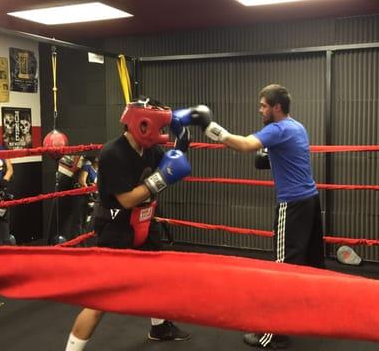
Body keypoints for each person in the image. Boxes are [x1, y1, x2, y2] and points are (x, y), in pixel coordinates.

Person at [65, 97, 201, 351]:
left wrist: (183, 136)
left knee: (157, 278)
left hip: (145, 221)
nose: (161, 135)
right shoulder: (112, 153)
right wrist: (161, 179)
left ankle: (159, 327)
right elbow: (127, 199)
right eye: (159, 128)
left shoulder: (149, 149)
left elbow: (172, 160)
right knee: (100, 301)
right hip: (116, 227)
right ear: (143, 125)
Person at [202, 84, 325, 349]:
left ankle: (273, 334)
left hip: (291, 204)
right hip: (311, 201)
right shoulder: (297, 127)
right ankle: (313, 315)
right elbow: (289, 157)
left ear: (276, 107)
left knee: (281, 269)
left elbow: (245, 146)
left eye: (263, 106)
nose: (260, 110)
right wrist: (271, 158)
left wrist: (210, 127)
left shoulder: (277, 129)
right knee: (311, 262)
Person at [49, 153, 86, 243]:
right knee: (60, 220)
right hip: (64, 185)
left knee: (77, 222)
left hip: (75, 190)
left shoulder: (86, 161)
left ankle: (77, 243)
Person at [0, 145, 13, 245]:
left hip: (1, 193)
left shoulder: (2, 149)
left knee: (4, 222)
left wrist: (4, 180)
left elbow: (10, 169)